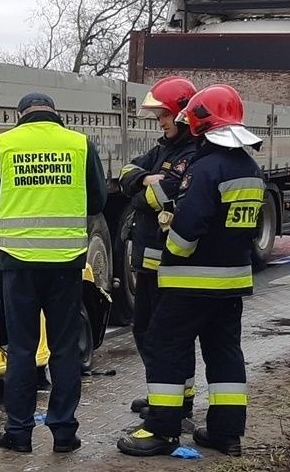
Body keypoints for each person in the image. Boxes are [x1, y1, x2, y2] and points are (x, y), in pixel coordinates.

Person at [117, 84, 263, 457]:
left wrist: (171, 241)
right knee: (224, 352)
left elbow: (188, 229)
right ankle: (225, 433)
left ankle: (162, 430)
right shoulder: (250, 169)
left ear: (200, 122)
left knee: (164, 345)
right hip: (233, 282)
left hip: (191, 281)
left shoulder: (205, 168)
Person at [0, 92, 107, 453]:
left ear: (20, 116)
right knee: (63, 348)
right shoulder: (79, 144)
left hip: (17, 264)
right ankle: (64, 433)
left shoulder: (4, 145)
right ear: (55, 115)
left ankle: (18, 433)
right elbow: (98, 201)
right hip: (65, 262)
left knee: (21, 349)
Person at [118, 77, 198, 421]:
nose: (159, 121)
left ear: (181, 114)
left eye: (163, 114)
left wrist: (143, 188)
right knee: (148, 330)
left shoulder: (191, 153)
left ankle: (174, 401)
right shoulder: (164, 148)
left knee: (163, 335)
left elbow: (159, 196)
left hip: (168, 262)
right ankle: (167, 394)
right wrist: (142, 181)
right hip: (148, 260)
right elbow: (125, 173)